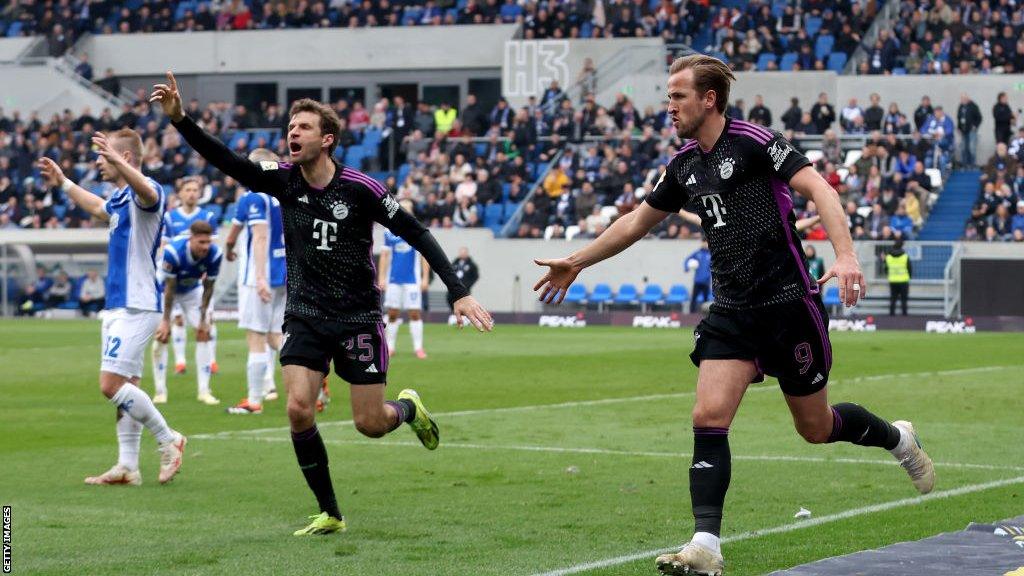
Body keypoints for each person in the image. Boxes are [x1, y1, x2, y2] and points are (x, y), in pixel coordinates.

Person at [532, 55, 934, 576]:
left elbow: (820, 189)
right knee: (708, 418)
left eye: (677, 96)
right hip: (732, 311)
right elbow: (635, 223)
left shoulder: (755, 142)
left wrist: (847, 255)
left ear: (709, 99)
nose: (668, 106)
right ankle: (705, 546)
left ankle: (898, 437)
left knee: (815, 428)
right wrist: (577, 261)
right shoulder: (682, 165)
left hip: (788, 305)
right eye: (668, 96)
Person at [153, 72, 493, 536]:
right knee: (297, 408)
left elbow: (416, 232)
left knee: (370, 424)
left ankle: (408, 409)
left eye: (304, 127)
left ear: (327, 139)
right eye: (291, 127)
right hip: (306, 314)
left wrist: (458, 290)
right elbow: (227, 160)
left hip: (358, 318)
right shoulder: (282, 181)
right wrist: (181, 120)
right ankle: (330, 511)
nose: (293, 132)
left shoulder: (361, 189)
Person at [37, 129, 187, 487]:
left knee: (110, 384)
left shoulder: (146, 192)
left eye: (104, 157)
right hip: (119, 304)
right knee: (128, 386)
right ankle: (127, 466)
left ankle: (169, 439)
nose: (99, 163)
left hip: (138, 304)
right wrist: (64, 183)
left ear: (126, 159)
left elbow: (148, 192)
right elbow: (94, 206)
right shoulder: (120, 199)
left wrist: (118, 160)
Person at [224, 148, 289, 415]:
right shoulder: (283, 197)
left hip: (259, 277)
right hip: (285, 274)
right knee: (276, 335)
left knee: (256, 337)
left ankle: (254, 400)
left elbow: (259, 237)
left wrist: (260, 277)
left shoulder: (254, 199)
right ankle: (315, 376)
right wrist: (229, 245)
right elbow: (235, 232)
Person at [151, 221, 221, 405]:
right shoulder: (173, 253)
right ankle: (160, 391)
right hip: (164, 290)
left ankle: (204, 391)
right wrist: (166, 320)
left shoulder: (215, 254)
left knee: (205, 333)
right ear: (191, 239)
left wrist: (204, 319)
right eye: (201, 242)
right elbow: (169, 289)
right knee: (162, 335)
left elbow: (208, 287)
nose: (206, 247)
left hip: (192, 291)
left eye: (208, 242)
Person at [162, 177, 221, 376]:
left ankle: (211, 360)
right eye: (187, 189)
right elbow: (165, 246)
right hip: (175, 278)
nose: (191, 193)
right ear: (180, 193)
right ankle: (180, 361)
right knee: (177, 319)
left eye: (195, 189)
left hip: (198, 280)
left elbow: (210, 248)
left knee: (207, 320)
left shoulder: (208, 216)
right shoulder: (170, 218)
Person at [378, 200, 431, 359]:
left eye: (408, 208)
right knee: (392, 313)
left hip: (412, 280)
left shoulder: (416, 230)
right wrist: (381, 277)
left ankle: (418, 348)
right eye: (402, 207)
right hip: (393, 280)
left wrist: (425, 278)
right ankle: (390, 347)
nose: (404, 210)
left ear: (412, 211)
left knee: (414, 313)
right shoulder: (388, 231)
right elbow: (385, 255)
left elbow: (425, 256)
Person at [883, 238, 911, 316]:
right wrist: (909, 276)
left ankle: (891, 315)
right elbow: (909, 268)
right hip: (904, 280)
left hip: (893, 280)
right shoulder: (905, 256)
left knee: (893, 298)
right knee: (904, 299)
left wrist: (889, 275)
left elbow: (885, 268)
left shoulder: (888, 257)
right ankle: (904, 315)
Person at [448, 247, 480, 311]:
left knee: (465, 301)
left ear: (467, 253)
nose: (462, 254)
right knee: (450, 298)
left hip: (465, 288)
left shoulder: (472, 265)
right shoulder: (455, 263)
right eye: (461, 252)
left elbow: (475, 276)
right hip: (454, 287)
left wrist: (468, 284)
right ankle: (454, 313)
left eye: (464, 253)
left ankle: (464, 315)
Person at [684, 239, 711, 313]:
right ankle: (692, 314)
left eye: (706, 243)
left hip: (706, 281)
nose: (704, 244)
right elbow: (687, 259)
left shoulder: (710, 254)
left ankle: (707, 314)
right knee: (694, 298)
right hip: (697, 280)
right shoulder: (697, 253)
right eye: (703, 243)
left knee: (706, 299)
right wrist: (686, 267)